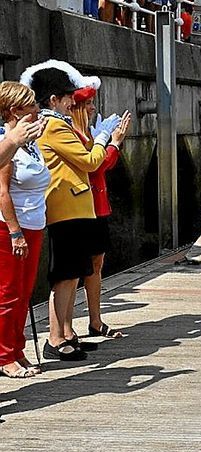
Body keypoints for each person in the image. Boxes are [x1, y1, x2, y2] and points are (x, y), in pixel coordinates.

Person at [23, 60, 122, 361]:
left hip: (75, 206)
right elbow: (91, 161)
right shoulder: (54, 126)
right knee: (65, 276)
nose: (72, 102)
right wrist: (106, 138)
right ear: (54, 100)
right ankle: (56, 337)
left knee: (73, 274)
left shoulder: (56, 125)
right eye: (67, 96)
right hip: (66, 206)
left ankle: (67, 332)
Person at [69, 77, 130, 340]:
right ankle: (64, 328)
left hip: (98, 206)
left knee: (97, 264)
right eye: (89, 103)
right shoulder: (73, 133)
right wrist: (113, 142)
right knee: (72, 270)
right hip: (82, 207)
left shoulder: (89, 133)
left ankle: (95, 321)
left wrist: (110, 142)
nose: (93, 108)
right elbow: (95, 166)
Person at [0, 82, 50, 377]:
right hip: (10, 229)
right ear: (14, 111)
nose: (36, 109)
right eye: (30, 105)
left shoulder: (29, 143)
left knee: (24, 293)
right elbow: (2, 192)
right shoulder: (7, 143)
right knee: (7, 293)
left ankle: (16, 350)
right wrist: (15, 232)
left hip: (35, 224)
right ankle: (4, 355)